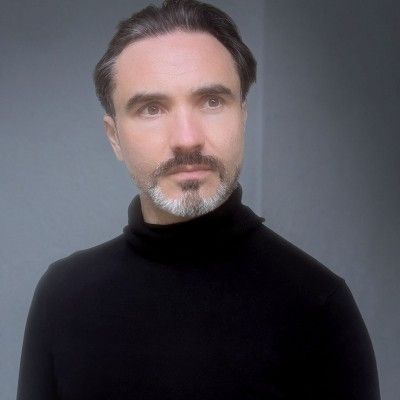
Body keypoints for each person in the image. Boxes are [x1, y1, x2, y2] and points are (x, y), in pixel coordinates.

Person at [16, 1, 380, 399]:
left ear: (242, 116)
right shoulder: (62, 298)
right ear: (114, 137)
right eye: (151, 108)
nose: (187, 138)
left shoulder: (318, 307)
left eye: (211, 101)